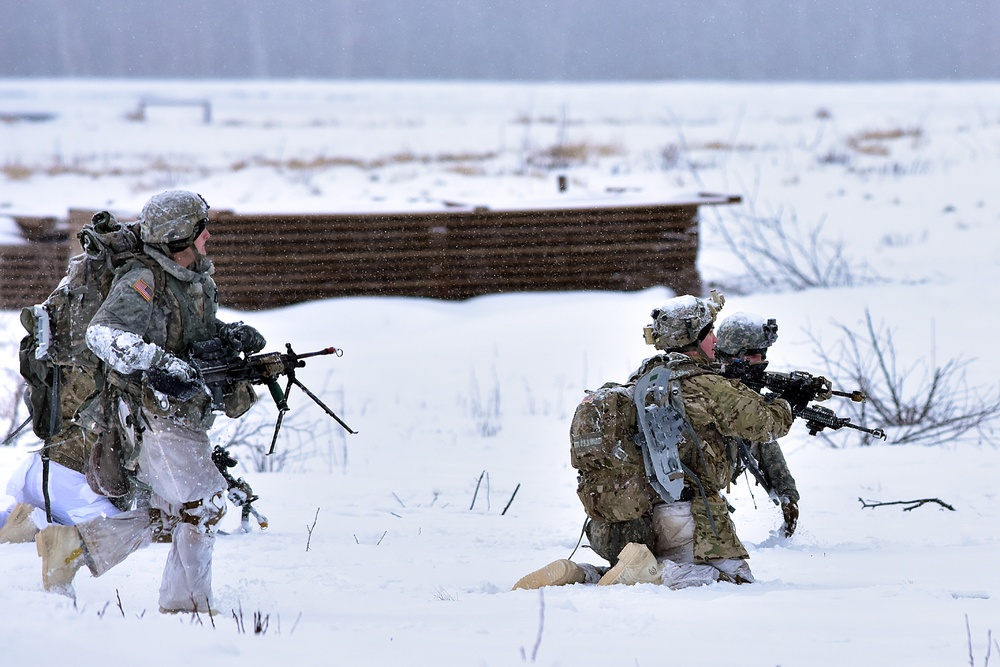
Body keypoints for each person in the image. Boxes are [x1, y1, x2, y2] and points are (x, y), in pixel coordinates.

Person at [34, 190, 263, 613]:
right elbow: (103, 334)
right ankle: (187, 607)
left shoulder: (192, 278)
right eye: (201, 229)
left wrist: (229, 337)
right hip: (151, 414)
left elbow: (187, 335)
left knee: (179, 511)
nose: (208, 235)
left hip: (179, 414)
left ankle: (72, 547)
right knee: (203, 502)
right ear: (180, 237)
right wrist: (159, 365)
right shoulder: (143, 279)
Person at [513, 292, 795, 590]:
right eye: (709, 332)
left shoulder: (642, 381)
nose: (715, 340)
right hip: (683, 517)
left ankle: (582, 574)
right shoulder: (705, 385)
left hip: (629, 517)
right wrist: (787, 402)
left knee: (635, 567)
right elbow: (768, 423)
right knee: (736, 579)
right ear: (693, 338)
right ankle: (658, 574)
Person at [714, 312, 801, 537]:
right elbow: (761, 427)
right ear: (734, 354)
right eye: (754, 354)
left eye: (763, 353)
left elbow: (761, 439)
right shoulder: (713, 389)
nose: (761, 360)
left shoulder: (735, 386)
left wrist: (787, 493)